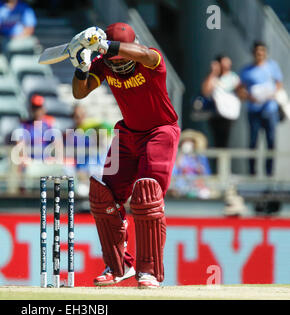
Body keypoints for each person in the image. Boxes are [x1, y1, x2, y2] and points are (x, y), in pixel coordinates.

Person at [69, 23, 181, 288]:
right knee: (103, 196)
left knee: (147, 195)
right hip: (128, 134)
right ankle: (120, 266)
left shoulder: (151, 59)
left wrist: (107, 48)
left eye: (121, 61)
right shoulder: (105, 64)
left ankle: (149, 271)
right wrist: (82, 66)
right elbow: (79, 92)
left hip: (160, 131)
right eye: (113, 63)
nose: (118, 67)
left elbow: (143, 55)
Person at [237, 41, 284, 176]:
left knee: (271, 142)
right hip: (254, 110)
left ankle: (269, 173)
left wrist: (271, 94)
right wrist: (250, 97)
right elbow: (240, 90)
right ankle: (252, 172)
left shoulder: (272, 66)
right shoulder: (246, 70)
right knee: (253, 142)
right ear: (254, 53)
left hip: (270, 110)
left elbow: (278, 84)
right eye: (257, 51)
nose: (260, 54)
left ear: (265, 53)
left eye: (262, 51)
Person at [201, 55, 241, 148]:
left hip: (229, 113)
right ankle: (217, 161)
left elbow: (241, 92)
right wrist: (213, 72)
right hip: (215, 113)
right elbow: (205, 92)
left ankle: (223, 161)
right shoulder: (213, 78)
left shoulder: (233, 77)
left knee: (225, 140)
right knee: (217, 141)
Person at [170, 129, 212, 199]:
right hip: (180, 186)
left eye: (190, 141)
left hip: (196, 186)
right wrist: (179, 158)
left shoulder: (201, 157)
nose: (188, 143)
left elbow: (207, 173)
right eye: (186, 141)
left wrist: (199, 168)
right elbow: (173, 173)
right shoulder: (177, 156)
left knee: (205, 194)